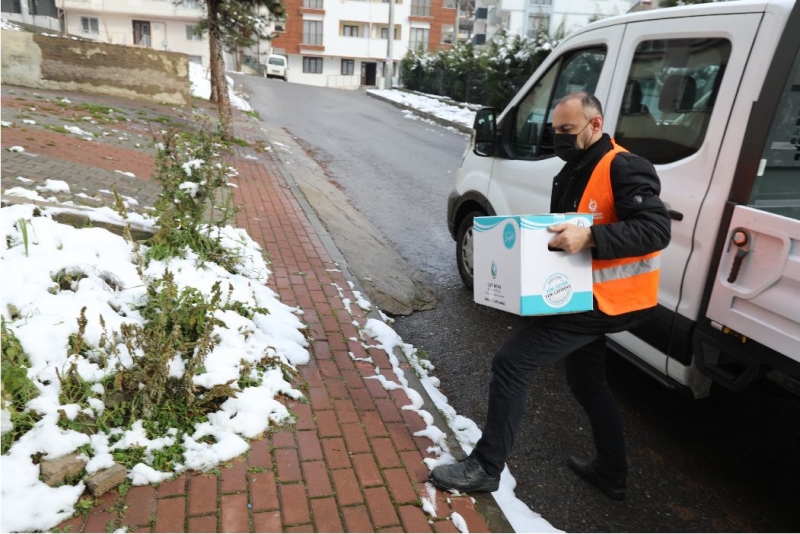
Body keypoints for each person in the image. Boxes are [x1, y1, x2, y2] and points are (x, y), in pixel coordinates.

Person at [429, 92, 671, 501]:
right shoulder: (574, 167)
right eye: (555, 130)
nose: (559, 138)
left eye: (568, 130)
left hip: (612, 301)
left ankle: (486, 467)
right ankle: (612, 473)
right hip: (585, 294)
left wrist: (591, 236)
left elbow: (655, 230)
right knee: (586, 381)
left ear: (595, 125)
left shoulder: (624, 166)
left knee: (511, 362)